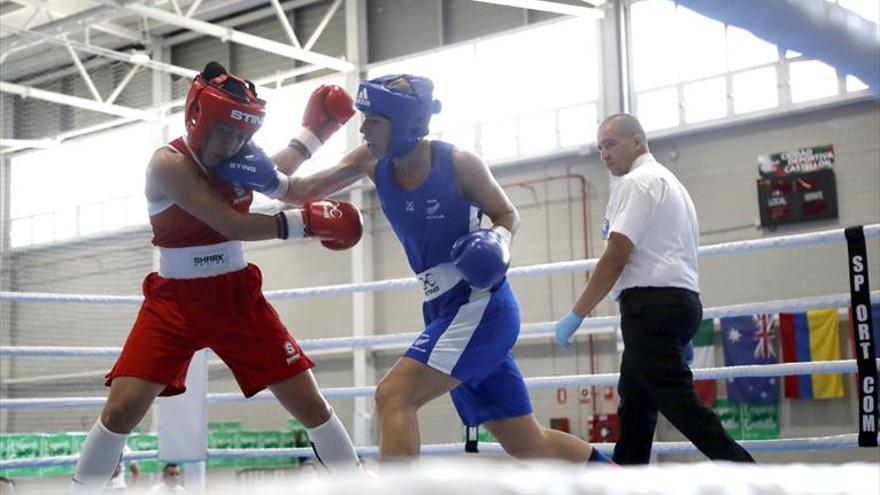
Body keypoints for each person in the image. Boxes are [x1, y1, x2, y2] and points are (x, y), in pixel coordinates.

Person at [215, 74, 612, 464]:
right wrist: (262, 173)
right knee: (527, 443)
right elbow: (300, 190)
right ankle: (614, 480)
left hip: (481, 306)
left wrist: (499, 240)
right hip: (443, 309)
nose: (363, 128)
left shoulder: (458, 163)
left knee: (394, 396)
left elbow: (507, 213)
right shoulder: (370, 159)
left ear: (408, 126)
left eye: (374, 120)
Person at [69, 61, 364, 493]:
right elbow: (231, 223)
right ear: (196, 118)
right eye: (226, 132)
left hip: (236, 297)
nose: (234, 144)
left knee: (310, 404)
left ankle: (359, 485)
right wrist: (305, 224)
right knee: (121, 409)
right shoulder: (167, 163)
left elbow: (279, 178)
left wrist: (314, 133)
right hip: (174, 302)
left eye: (243, 136)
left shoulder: (237, 155)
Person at [553, 113, 755, 465]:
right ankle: (627, 480)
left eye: (610, 144)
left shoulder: (637, 183)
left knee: (679, 403)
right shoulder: (671, 184)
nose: (604, 154)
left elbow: (616, 256)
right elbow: (675, 252)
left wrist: (577, 313)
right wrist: (680, 326)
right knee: (636, 405)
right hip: (678, 301)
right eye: (600, 147)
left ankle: (750, 476)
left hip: (651, 307)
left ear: (637, 141)